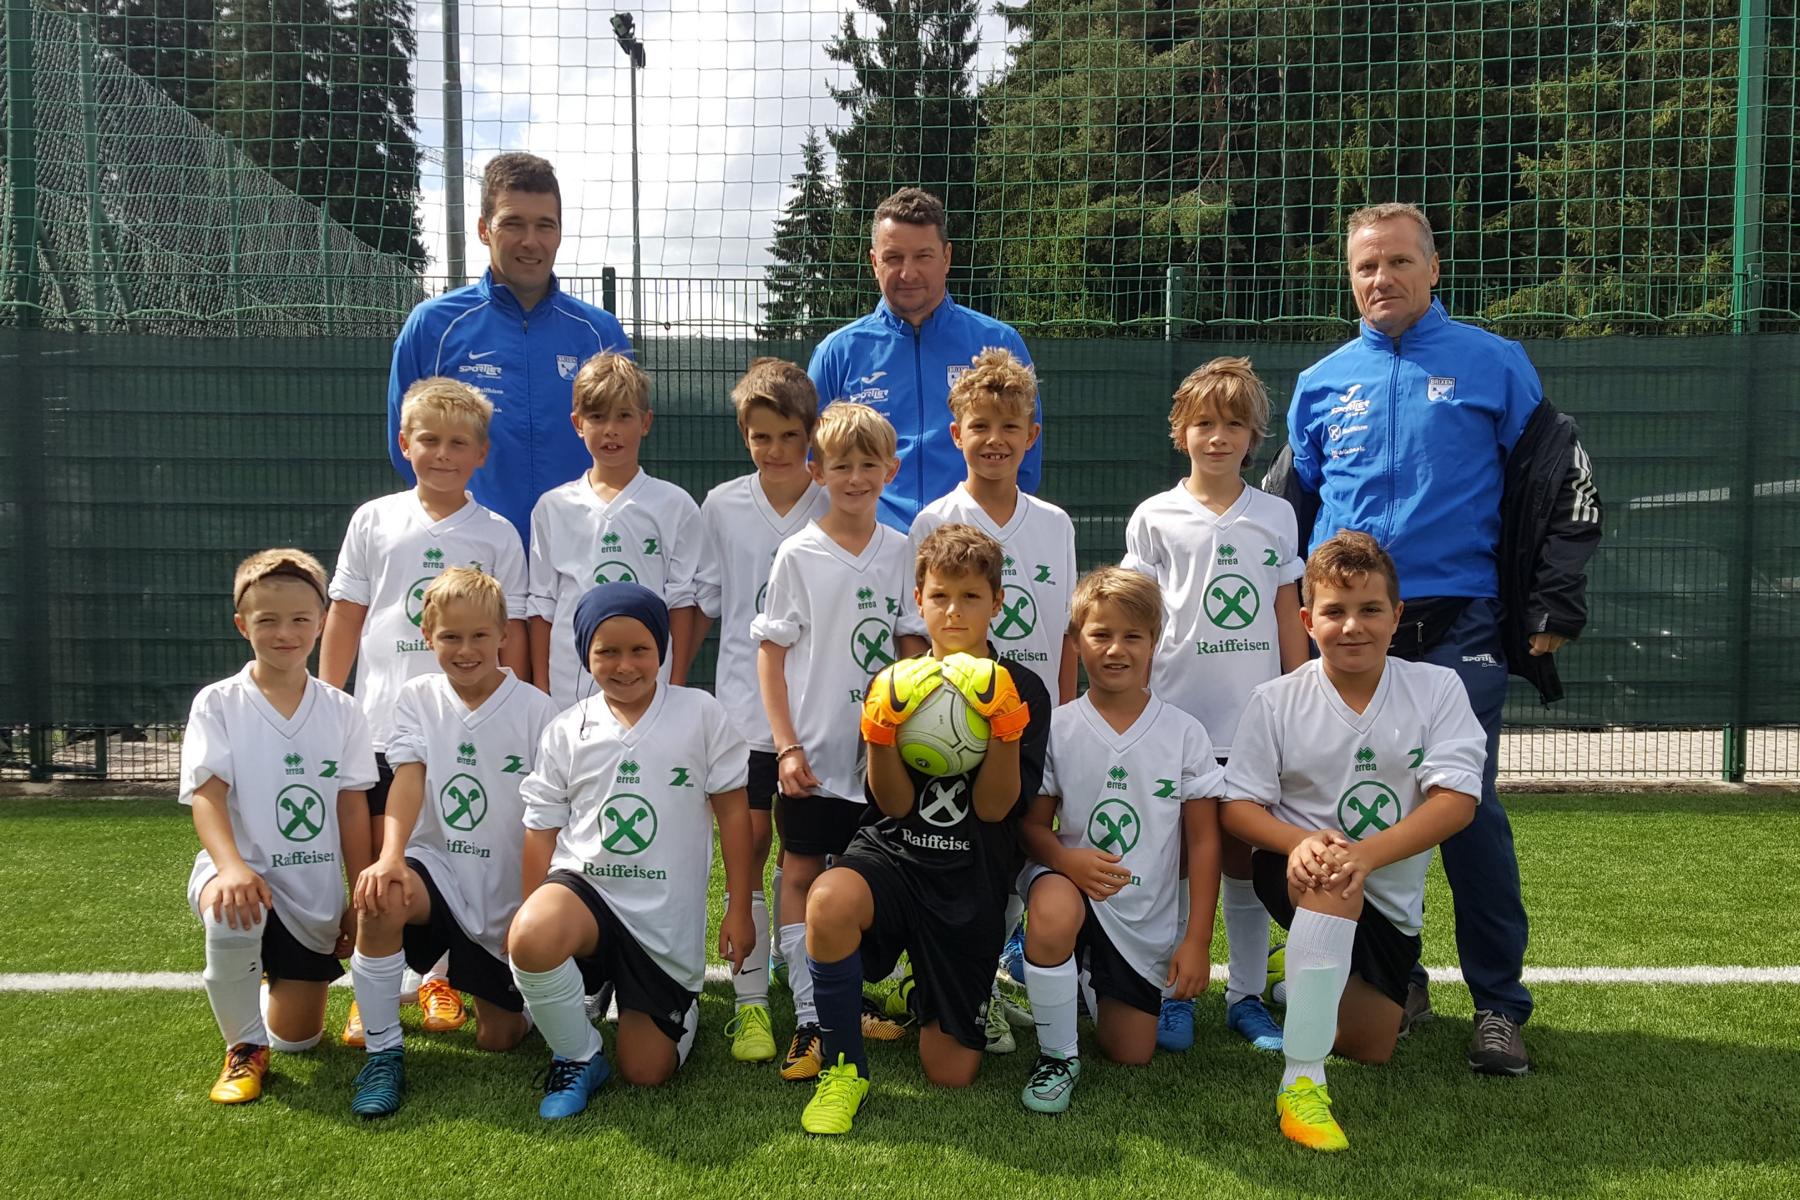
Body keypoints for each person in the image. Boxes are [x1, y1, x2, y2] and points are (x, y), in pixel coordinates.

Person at [1265, 202, 1602, 1075]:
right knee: (1347, 802)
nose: (1382, 279)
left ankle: (1498, 1005)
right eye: (1366, 267)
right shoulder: (1321, 382)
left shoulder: (1495, 362)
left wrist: (1553, 604)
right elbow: (1279, 517)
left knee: (1463, 806)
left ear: (1434, 267)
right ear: (1350, 278)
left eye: (1399, 262)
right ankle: (1397, 978)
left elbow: (1563, 482)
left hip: (1461, 629)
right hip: (1346, 631)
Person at [1219, 532, 1486, 1151]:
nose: (1352, 626)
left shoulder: (1438, 689)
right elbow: (1238, 807)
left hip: (1388, 900)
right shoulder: (1276, 700)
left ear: (1397, 616)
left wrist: (1367, 854)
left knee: (1369, 1048)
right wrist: (1298, 842)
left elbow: (1457, 802)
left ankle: (1301, 968)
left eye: (1370, 609)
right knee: (1333, 876)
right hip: (1298, 871)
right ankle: (1300, 1087)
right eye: (1334, 611)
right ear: (1307, 621)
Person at [797, 524, 1051, 1135]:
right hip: (896, 856)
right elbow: (892, 801)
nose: (953, 611)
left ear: (997, 602)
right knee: (828, 900)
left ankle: (920, 993)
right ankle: (843, 1070)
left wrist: (1003, 726)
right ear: (918, 600)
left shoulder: (1024, 688)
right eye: (940, 596)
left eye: (970, 597)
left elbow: (994, 809)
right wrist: (881, 730)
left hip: (969, 875)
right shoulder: (893, 681)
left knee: (951, 1071)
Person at [323, 376, 530, 1042]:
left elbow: (515, 632)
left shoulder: (498, 533)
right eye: (430, 440)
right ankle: (375, 988)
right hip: (384, 725)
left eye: (458, 443)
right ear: (404, 443)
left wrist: (514, 713)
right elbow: (348, 612)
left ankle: (440, 979)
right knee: (383, 859)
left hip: (467, 732)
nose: (443, 454)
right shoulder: (374, 520)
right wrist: (328, 700)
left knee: (455, 853)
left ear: (481, 453)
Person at [507, 583, 757, 1120]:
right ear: (585, 655)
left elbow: (735, 815)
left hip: (661, 924)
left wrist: (739, 907)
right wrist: (532, 921)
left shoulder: (700, 713)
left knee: (646, 1071)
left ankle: (674, 1005)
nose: (624, 665)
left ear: (662, 648)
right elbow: (540, 827)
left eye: (640, 649)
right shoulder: (567, 728)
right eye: (607, 652)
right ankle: (578, 1055)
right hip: (587, 893)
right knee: (532, 933)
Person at [1123, 356, 1308, 1054]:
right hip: (1176, 720)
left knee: (1242, 861)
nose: (1218, 436)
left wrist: (1301, 696)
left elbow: (1287, 612)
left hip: (1253, 724)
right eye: (1204, 422)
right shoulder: (1155, 517)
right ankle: (1173, 994)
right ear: (1181, 431)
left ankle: (1246, 996)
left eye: (1234, 424)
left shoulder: (1276, 516)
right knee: (1173, 860)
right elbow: (1138, 617)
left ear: (1254, 436)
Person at [895, 345, 1076, 1052]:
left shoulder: (1055, 523)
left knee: (1017, 852)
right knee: (961, 853)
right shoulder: (933, 519)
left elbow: (1065, 634)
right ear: (956, 434)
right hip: (954, 728)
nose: (995, 439)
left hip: (1032, 722)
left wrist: (1066, 715)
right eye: (980, 426)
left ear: (1033, 435)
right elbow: (915, 636)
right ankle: (946, 985)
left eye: (1010, 426)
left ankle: (994, 978)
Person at [345, 568, 559, 1118]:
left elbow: (548, 819)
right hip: (437, 870)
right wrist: (391, 857)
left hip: (506, 889)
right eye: (450, 637)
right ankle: (383, 1054)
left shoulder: (537, 710)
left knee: (499, 1038)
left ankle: (520, 999)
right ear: (427, 636)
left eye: (479, 636)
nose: (466, 650)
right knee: (382, 895)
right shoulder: (417, 697)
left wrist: (533, 905)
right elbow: (409, 777)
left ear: (504, 634)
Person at [1016, 567, 1224, 1114]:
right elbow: (1031, 828)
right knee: (1054, 909)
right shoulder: (1058, 726)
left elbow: (1205, 842)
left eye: (1132, 636)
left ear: (1155, 642)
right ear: (1075, 642)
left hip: (1142, 914)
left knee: (1131, 1053)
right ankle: (1057, 1055)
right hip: (1071, 885)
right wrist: (1067, 860)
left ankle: (1079, 981)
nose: (1115, 649)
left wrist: (1198, 940)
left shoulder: (1185, 733)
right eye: (1100, 634)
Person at [750, 402, 912, 1081]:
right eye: (840, 465)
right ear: (817, 472)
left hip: (879, 759)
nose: (855, 478)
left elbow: (911, 647)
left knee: (866, 877)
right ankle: (811, 1015)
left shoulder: (902, 550)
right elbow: (771, 656)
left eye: (868, 465)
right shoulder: (798, 552)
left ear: (890, 470)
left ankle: (851, 999)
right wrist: (786, 746)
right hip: (813, 755)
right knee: (800, 872)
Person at [180, 549, 376, 1104]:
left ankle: (267, 986)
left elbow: (351, 809)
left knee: (299, 1039)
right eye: (267, 620)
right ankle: (244, 1048)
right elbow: (207, 796)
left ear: (322, 622)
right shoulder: (218, 703)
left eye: (299, 619)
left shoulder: (343, 710)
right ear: (242, 625)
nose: (284, 633)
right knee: (231, 910)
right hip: (240, 871)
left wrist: (356, 897)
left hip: (310, 891)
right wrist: (230, 867)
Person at [692, 358, 830, 1063]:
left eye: (788, 436)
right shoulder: (720, 505)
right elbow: (705, 603)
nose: (774, 450)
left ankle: (810, 990)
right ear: (744, 435)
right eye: (760, 436)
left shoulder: (836, 499)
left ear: (811, 434)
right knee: (745, 847)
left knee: (806, 856)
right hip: (743, 715)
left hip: (818, 722)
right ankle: (749, 1006)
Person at [387, 152, 632, 544]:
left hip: (579, 551)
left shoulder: (601, 334)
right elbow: (406, 449)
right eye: (513, 223)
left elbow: (624, 448)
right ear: (484, 229)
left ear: (559, 233)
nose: (530, 241)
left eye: (544, 225)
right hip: (471, 554)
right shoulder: (432, 327)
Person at [807, 188, 1041, 531]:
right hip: (873, 547)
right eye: (893, 258)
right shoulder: (836, 354)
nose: (908, 273)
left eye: (923, 256)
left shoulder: (999, 343)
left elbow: (1025, 462)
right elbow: (812, 464)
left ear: (946, 257)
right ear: (874, 262)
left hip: (970, 545)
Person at [527, 353, 701, 710]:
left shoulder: (675, 505)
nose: (611, 430)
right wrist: (543, 687)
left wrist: (676, 682)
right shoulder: (552, 507)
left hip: (650, 689)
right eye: (597, 416)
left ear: (646, 422)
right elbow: (542, 604)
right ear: (577, 423)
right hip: (569, 693)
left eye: (624, 416)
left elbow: (681, 601)